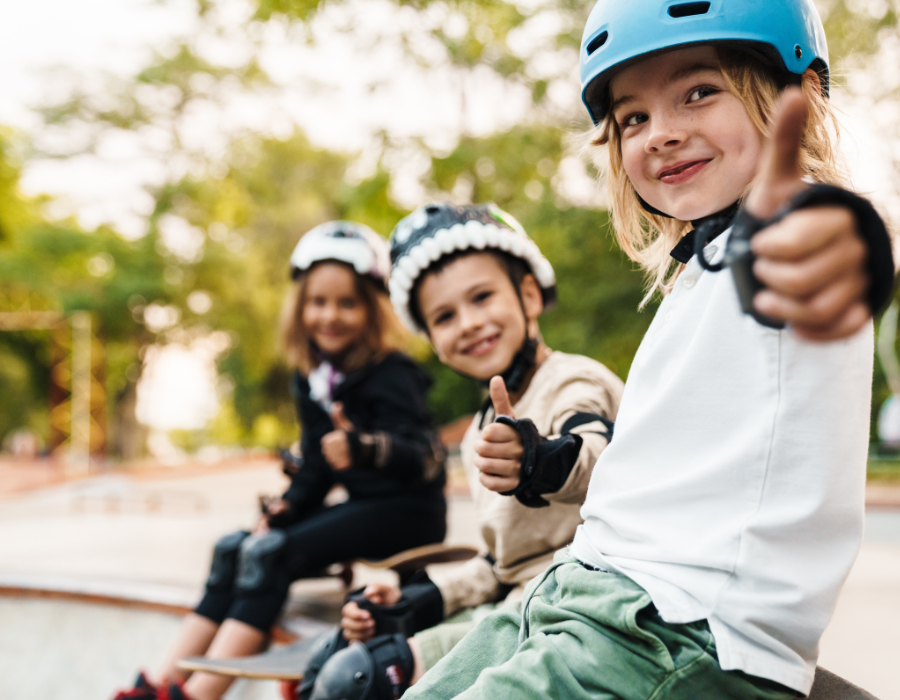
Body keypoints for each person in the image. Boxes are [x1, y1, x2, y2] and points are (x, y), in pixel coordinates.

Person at [398, 1, 895, 699]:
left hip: (680, 629)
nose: (661, 133)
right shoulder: (697, 275)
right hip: (581, 597)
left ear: (793, 99)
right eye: (633, 117)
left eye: (698, 92)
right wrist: (545, 460)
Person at [298, 203, 624, 700]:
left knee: (358, 680)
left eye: (482, 297)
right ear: (432, 339)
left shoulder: (573, 380)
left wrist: (538, 458)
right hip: (517, 600)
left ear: (530, 295)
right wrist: (414, 598)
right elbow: (501, 564)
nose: (468, 323)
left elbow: (596, 455)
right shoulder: (482, 428)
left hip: (578, 605)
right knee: (343, 654)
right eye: (445, 316)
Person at [112, 221, 448, 700]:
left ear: (372, 310)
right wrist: (286, 509)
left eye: (347, 303)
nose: (329, 315)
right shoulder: (313, 378)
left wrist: (366, 448)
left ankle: (199, 695)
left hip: (409, 514)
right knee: (238, 547)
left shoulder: (392, 372)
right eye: (318, 302)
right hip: (364, 510)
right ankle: (160, 685)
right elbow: (315, 467)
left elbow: (425, 460)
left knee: (271, 556)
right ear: (300, 308)